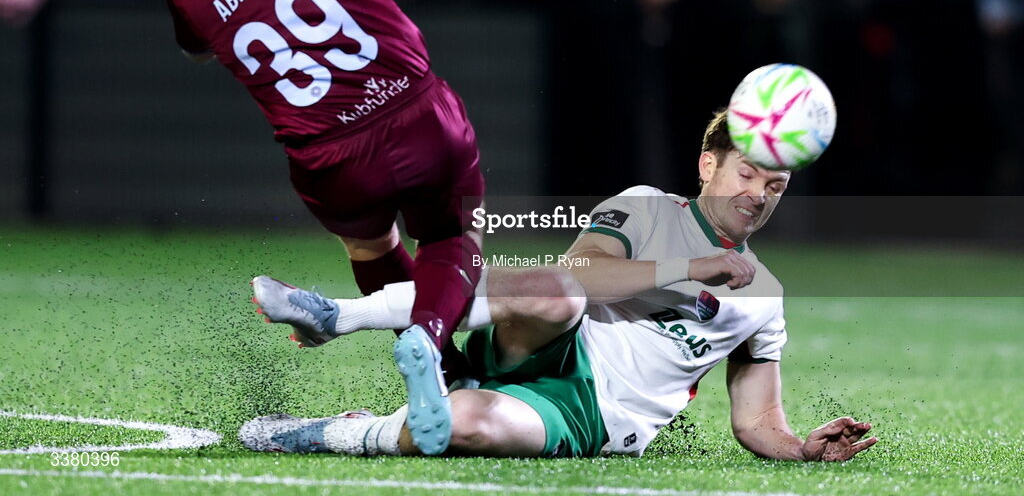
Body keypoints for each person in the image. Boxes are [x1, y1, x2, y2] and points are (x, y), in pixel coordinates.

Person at [240, 110, 877, 461]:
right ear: (709, 164)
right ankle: (335, 315)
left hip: (594, 414)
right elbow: (582, 272)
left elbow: (757, 418)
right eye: (747, 174)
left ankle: (338, 431)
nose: (757, 195)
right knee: (558, 288)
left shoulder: (764, 296)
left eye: (775, 187)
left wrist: (802, 449)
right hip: (541, 340)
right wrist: (687, 267)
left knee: (464, 427)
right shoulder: (649, 208)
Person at [164, 0, 484, 455]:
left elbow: (197, 45)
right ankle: (428, 341)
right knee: (450, 235)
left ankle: (446, 375)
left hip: (324, 154)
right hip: (410, 110)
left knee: (371, 246)